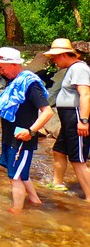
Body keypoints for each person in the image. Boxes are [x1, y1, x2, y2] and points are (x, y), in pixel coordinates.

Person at [0, 47, 54, 212]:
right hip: (11, 136)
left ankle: (16, 212)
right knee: (20, 172)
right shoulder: (13, 81)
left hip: (22, 137)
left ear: (13, 64)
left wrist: (31, 132)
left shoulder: (30, 84)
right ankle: (35, 200)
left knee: (15, 176)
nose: (0, 70)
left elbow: (47, 112)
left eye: (2, 66)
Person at [43, 38, 90, 200]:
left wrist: (83, 120)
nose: (54, 61)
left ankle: (89, 197)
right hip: (68, 119)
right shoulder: (72, 68)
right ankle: (57, 183)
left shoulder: (79, 69)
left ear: (63, 55)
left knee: (78, 159)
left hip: (76, 116)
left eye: (55, 57)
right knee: (59, 151)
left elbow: (85, 94)